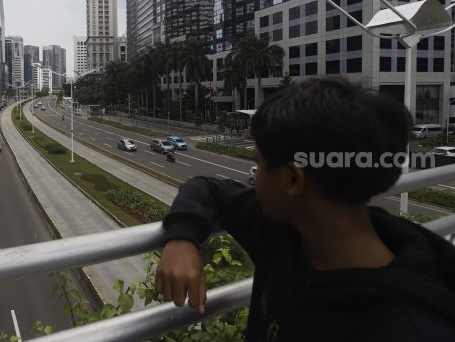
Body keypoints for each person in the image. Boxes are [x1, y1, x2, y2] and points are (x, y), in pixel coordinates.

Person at [155, 76, 455, 341]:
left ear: (293, 178)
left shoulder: (408, 328)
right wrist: (182, 236)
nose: (253, 176)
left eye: (257, 163)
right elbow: (207, 186)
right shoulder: (289, 230)